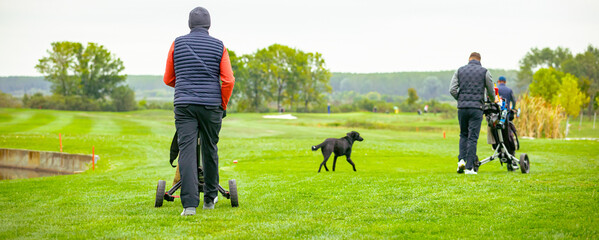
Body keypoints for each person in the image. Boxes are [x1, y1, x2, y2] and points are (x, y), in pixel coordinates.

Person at [163, 6, 235, 216]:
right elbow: (228, 80)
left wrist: (187, 87)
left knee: (186, 151)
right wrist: (222, 103)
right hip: (211, 106)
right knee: (210, 148)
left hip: (184, 105)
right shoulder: (219, 46)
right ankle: (210, 199)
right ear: (209, 24)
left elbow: (168, 78)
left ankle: (189, 206)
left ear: (189, 24)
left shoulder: (177, 43)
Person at [449, 52, 496, 175]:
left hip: (462, 108)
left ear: (469, 59)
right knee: (472, 137)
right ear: (480, 60)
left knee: (463, 135)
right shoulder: (485, 72)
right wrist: (492, 100)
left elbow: (452, 89)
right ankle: (469, 168)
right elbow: (491, 91)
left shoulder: (459, 71)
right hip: (476, 108)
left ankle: (461, 161)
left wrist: (460, 99)